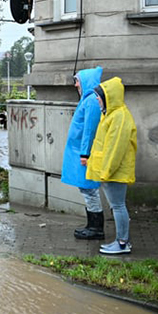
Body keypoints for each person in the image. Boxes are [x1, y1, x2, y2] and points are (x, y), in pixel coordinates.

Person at [86, 77, 137, 255]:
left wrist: (105, 173)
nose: (97, 99)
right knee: (117, 206)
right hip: (110, 172)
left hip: (113, 172)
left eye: (99, 96)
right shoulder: (113, 114)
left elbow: (115, 148)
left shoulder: (119, 117)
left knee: (118, 206)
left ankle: (122, 243)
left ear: (109, 96)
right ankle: (121, 241)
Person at [60, 67, 104, 240]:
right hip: (80, 152)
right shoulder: (88, 99)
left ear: (86, 81)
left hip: (83, 153)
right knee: (86, 189)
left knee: (89, 189)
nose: (75, 85)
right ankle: (91, 225)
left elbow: (89, 131)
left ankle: (96, 228)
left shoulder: (91, 101)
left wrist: (85, 153)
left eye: (77, 80)